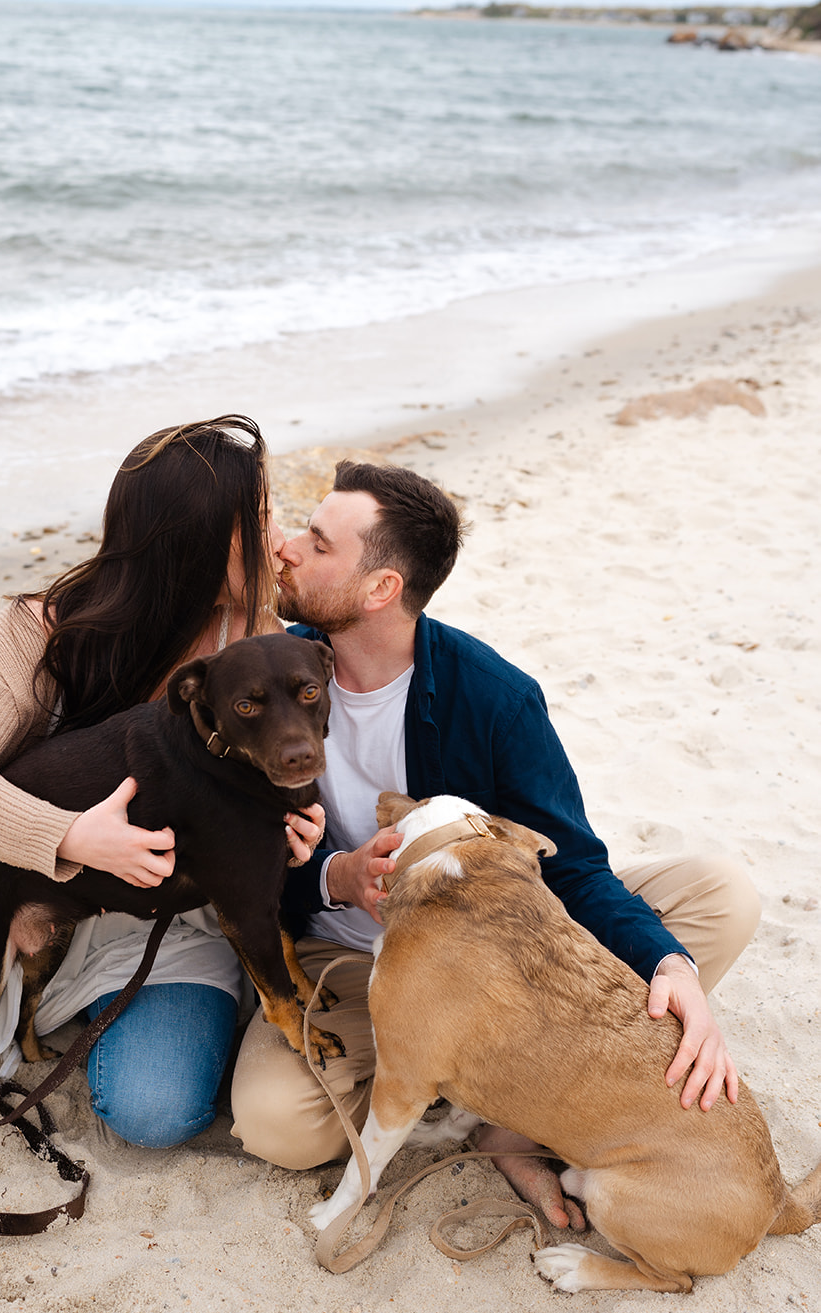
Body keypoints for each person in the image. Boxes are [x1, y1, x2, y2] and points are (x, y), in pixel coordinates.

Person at [230, 460, 760, 1228]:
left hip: (500, 956)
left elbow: (572, 866)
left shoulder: (493, 696)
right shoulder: (265, 678)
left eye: (316, 543)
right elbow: (234, 870)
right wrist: (334, 879)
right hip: (341, 954)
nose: (288, 551)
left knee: (719, 896)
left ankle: (502, 1114)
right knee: (277, 1126)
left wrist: (667, 963)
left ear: (380, 590)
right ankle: (465, 1079)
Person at [0, 415, 324, 1149]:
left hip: (171, 922)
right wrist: (71, 836)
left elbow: (310, 738)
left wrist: (298, 822)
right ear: (200, 540)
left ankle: (74, 1009)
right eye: (264, 517)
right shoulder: (43, 629)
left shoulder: (261, 638)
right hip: (13, 874)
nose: (282, 537)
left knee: (155, 1113)